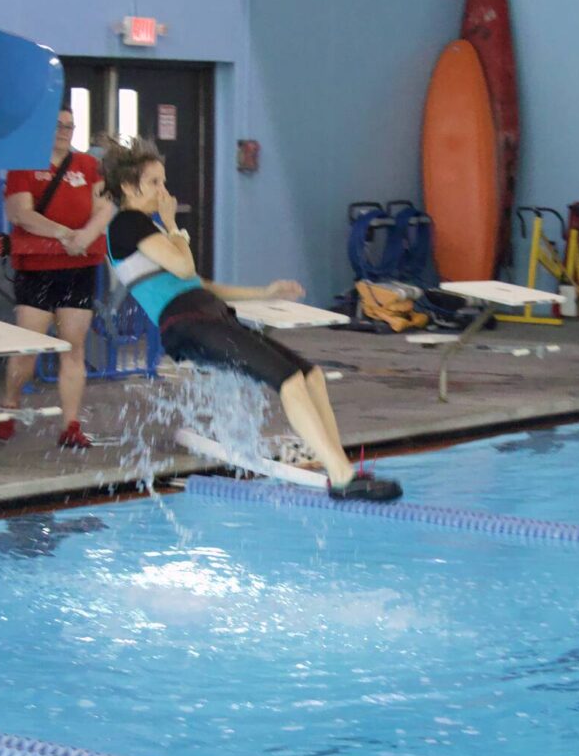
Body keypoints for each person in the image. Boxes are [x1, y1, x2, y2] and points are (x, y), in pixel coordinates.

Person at [99, 135, 402, 503]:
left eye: (164, 181)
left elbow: (200, 283)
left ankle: (341, 467)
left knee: (311, 376)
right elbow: (184, 264)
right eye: (154, 183)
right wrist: (173, 224)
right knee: (289, 381)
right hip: (188, 325)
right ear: (128, 187)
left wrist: (265, 292)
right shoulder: (128, 224)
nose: (165, 191)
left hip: (207, 315)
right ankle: (341, 477)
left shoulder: (148, 228)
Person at [0, 106, 116, 447]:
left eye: (70, 125)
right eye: (58, 125)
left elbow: (105, 207)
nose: (65, 131)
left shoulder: (89, 166)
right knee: (27, 349)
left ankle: (71, 425)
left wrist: (86, 236)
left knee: (73, 348)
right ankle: (10, 403)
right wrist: (65, 234)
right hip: (36, 269)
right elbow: (21, 214)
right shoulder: (24, 166)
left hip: (78, 269)